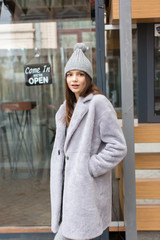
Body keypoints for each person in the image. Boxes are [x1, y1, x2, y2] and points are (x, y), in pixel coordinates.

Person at [50, 43, 127, 240]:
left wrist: (90, 167)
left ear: (88, 77)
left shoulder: (98, 103)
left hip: (84, 190)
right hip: (68, 191)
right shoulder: (64, 109)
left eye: (80, 74)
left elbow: (118, 146)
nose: (74, 79)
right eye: (70, 74)